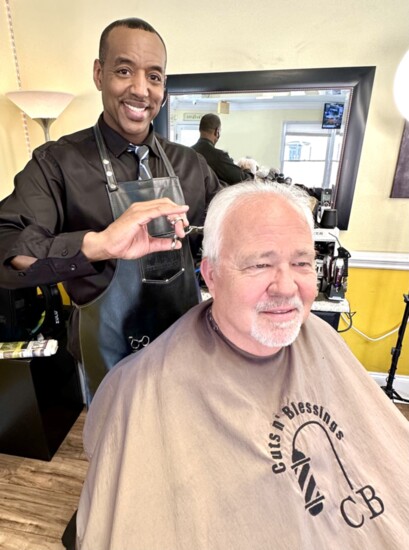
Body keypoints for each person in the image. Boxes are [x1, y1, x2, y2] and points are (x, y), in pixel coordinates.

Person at [75, 181, 409, 550]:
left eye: (301, 263)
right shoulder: (144, 385)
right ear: (212, 275)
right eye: (260, 264)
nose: (286, 286)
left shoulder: (323, 340)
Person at [0, 18, 222, 404]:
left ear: (164, 89)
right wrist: (97, 245)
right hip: (108, 354)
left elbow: (228, 228)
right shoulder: (57, 164)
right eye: (124, 71)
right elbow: (5, 245)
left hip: (184, 348)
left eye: (154, 77)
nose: (140, 89)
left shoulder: (190, 165)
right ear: (99, 74)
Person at [191, 113, 253, 184]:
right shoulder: (218, 156)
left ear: (200, 129)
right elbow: (245, 181)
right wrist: (247, 170)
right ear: (217, 132)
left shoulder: (188, 152)